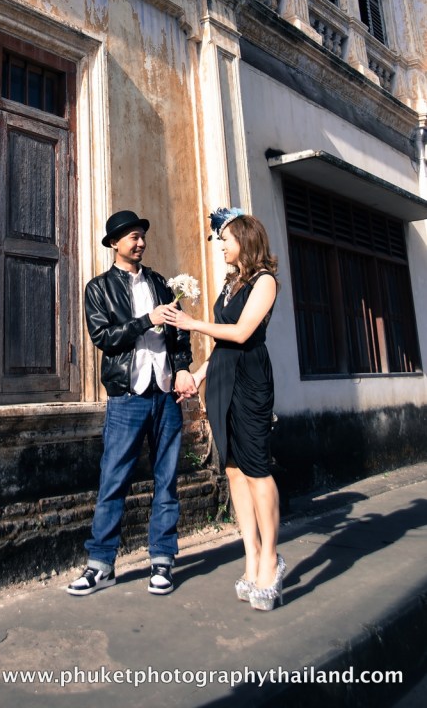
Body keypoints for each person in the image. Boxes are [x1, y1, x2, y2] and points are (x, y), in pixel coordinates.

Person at [67, 210, 193, 597]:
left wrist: (184, 368)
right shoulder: (98, 289)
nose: (139, 243)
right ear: (114, 244)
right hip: (127, 396)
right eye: (132, 237)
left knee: (166, 479)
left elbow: (179, 334)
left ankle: (162, 561)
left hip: (166, 394)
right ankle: (100, 564)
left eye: (142, 236)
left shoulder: (160, 282)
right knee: (114, 479)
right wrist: (144, 320)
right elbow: (104, 337)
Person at [169, 208, 286, 611]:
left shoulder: (264, 282)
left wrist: (191, 323)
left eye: (226, 240)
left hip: (250, 379)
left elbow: (240, 333)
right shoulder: (230, 285)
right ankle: (250, 553)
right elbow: (222, 344)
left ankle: (271, 557)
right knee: (233, 469)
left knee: (256, 467)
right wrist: (197, 376)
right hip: (221, 377)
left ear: (245, 240)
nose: (221, 246)